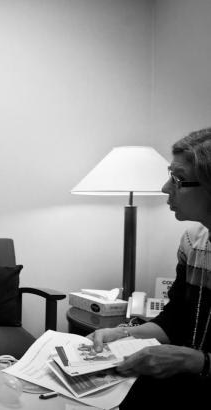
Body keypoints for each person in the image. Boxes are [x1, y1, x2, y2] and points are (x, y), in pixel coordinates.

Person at [89, 127, 211, 409]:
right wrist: (123, 333)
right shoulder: (193, 242)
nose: (165, 188)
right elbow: (174, 320)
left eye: (178, 179)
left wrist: (197, 361)